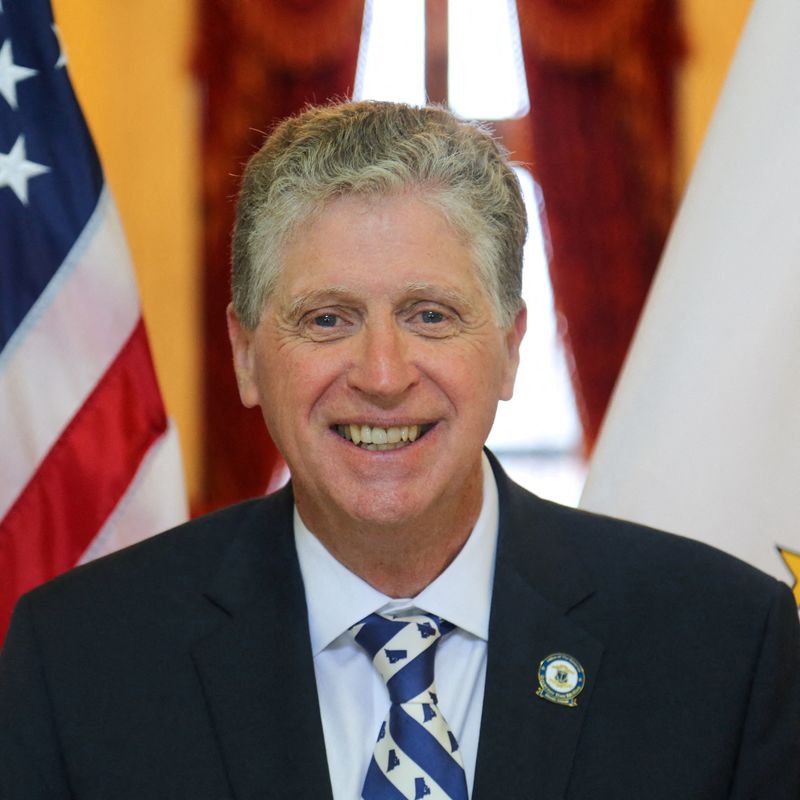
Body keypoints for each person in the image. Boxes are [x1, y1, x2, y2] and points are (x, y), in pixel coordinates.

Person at [1, 101, 798, 800]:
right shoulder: (79, 659)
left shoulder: (726, 645)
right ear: (245, 356)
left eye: (429, 315)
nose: (382, 377)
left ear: (512, 348)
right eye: (326, 319)